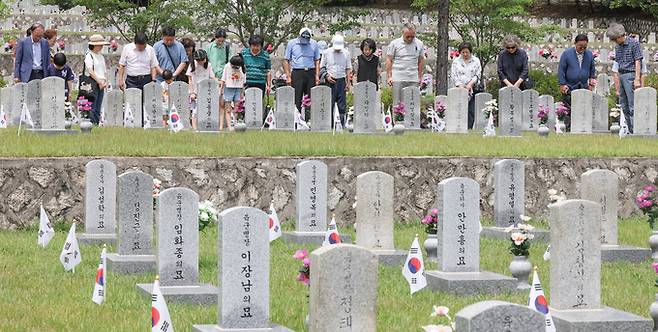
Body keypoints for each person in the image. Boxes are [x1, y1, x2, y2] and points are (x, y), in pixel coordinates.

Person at [607, 23, 643, 133]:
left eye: (614, 39)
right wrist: (616, 83)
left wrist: (637, 79)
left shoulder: (634, 43)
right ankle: (630, 129)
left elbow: (638, 61)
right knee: (624, 105)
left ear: (620, 36)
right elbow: (617, 64)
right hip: (621, 75)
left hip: (630, 74)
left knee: (632, 105)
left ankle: (636, 130)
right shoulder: (617, 47)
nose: (614, 42)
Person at [386, 23, 425, 105]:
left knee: (412, 103)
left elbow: (421, 60)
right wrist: (389, 76)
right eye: (408, 36)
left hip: (413, 77)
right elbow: (389, 59)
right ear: (402, 33)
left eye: (412, 36)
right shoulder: (394, 43)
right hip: (398, 77)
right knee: (398, 103)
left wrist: (420, 76)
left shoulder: (419, 44)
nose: (410, 39)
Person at [284, 27, 321, 113]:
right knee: (297, 97)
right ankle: (297, 120)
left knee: (310, 98)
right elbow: (286, 60)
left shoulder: (314, 44)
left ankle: (309, 119)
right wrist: (288, 76)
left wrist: (317, 75)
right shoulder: (292, 43)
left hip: (310, 72)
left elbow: (317, 60)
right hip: (297, 72)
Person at [320, 34, 352, 127]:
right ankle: (329, 125)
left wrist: (348, 83)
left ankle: (341, 125)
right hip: (330, 80)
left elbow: (348, 68)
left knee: (342, 105)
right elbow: (322, 67)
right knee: (329, 104)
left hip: (341, 80)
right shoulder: (326, 53)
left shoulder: (346, 53)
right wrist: (326, 76)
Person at [557, 34, 597, 107]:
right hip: (569, 87)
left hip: (584, 87)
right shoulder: (567, 54)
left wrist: (591, 82)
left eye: (585, 47)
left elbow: (592, 69)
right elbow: (561, 70)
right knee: (569, 110)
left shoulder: (589, 54)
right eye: (580, 46)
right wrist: (562, 84)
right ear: (575, 43)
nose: (582, 48)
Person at [450, 42, 482, 129]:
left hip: (472, 88)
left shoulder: (476, 61)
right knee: (460, 109)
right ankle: (459, 127)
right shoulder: (456, 62)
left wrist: (470, 84)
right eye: (463, 52)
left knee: (471, 110)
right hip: (460, 88)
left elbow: (477, 74)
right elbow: (454, 75)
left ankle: (469, 127)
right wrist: (460, 86)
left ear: (470, 52)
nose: (465, 54)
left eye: (467, 52)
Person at [241, 34, 271, 121]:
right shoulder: (244, 53)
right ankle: (245, 119)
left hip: (260, 82)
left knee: (258, 103)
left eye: (258, 46)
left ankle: (257, 120)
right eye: (253, 46)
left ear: (261, 46)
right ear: (250, 45)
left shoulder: (265, 56)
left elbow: (268, 71)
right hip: (247, 82)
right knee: (246, 102)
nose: (255, 48)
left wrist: (269, 85)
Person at [83, 34, 109, 125]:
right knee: (92, 106)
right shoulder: (89, 56)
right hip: (93, 83)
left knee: (98, 106)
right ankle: (91, 124)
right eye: (99, 45)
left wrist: (105, 82)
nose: (101, 46)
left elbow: (104, 71)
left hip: (101, 83)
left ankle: (96, 123)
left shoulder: (101, 56)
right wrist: (99, 82)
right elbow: (91, 71)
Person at [187, 49, 215, 130]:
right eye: (198, 60)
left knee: (204, 109)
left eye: (202, 60)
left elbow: (212, 77)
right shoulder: (192, 65)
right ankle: (195, 128)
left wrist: (219, 82)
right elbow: (190, 80)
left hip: (205, 91)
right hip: (195, 92)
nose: (201, 62)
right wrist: (192, 92)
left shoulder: (208, 65)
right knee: (195, 111)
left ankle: (203, 126)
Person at [220, 55, 246, 131]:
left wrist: (242, 92)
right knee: (228, 109)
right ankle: (229, 126)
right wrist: (221, 92)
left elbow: (243, 81)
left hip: (238, 89)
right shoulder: (227, 66)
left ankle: (235, 125)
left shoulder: (242, 67)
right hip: (228, 88)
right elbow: (223, 79)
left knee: (237, 109)